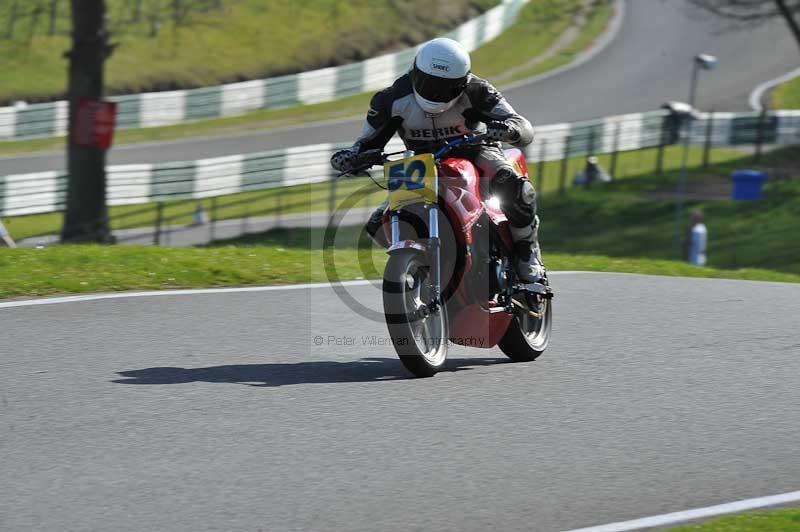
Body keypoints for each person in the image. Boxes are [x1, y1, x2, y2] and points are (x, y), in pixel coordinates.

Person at [330, 38, 544, 282]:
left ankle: (527, 249)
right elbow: (367, 143)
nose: (435, 93)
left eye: (446, 87)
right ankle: (423, 268)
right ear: (415, 72)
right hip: (419, 163)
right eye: (428, 83)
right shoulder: (390, 99)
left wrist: (509, 131)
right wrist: (351, 158)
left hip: (474, 151)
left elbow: (521, 124)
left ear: (462, 82)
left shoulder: (478, 90)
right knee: (378, 223)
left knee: (516, 187)